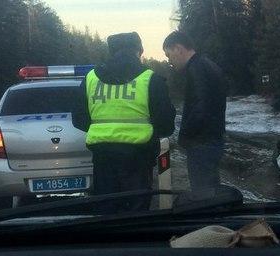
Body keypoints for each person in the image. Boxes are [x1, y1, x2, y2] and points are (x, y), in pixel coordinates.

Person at [72, 32, 176, 213]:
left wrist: (105, 130)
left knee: (106, 207)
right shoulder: (150, 79)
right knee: (137, 209)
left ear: (111, 51)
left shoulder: (90, 78)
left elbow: (78, 119)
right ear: (139, 51)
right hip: (138, 156)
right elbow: (166, 124)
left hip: (103, 155)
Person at [163, 31, 227, 192]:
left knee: (203, 194)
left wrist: (185, 136)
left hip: (202, 143)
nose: (169, 61)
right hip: (211, 140)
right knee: (211, 190)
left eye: (169, 55)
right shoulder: (206, 65)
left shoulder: (197, 69)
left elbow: (200, 108)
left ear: (178, 48)